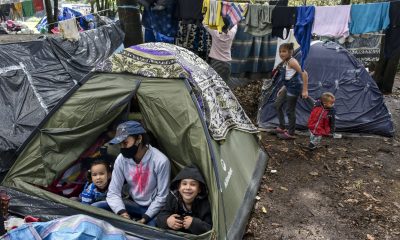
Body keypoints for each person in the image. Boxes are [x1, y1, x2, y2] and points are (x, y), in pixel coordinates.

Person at [105, 121, 171, 226]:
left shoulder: (161, 161)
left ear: (139, 139)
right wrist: (122, 212)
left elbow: (162, 196)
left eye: (125, 143)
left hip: (153, 210)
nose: (122, 147)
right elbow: (113, 192)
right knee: (98, 206)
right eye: (120, 144)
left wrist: (145, 218)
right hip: (132, 204)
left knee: (151, 231)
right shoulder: (121, 159)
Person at [156, 165, 212, 235]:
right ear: (179, 187)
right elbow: (160, 217)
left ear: (199, 189)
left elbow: (210, 228)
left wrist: (194, 224)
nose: (188, 187)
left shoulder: (204, 204)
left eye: (193, 184)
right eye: (184, 184)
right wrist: (167, 221)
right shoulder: (172, 198)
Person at [274, 43, 309, 140]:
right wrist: (283, 88)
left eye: (284, 51)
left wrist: (305, 90)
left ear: (290, 52)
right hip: (288, 86)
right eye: (280, 51)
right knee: (277, 104)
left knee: (290, 110)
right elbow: (289, 76)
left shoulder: (292, 62)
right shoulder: (285, 61)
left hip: (294, 88)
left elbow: (304, 74)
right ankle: (282, 127)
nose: (281, 53)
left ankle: (291, 133)